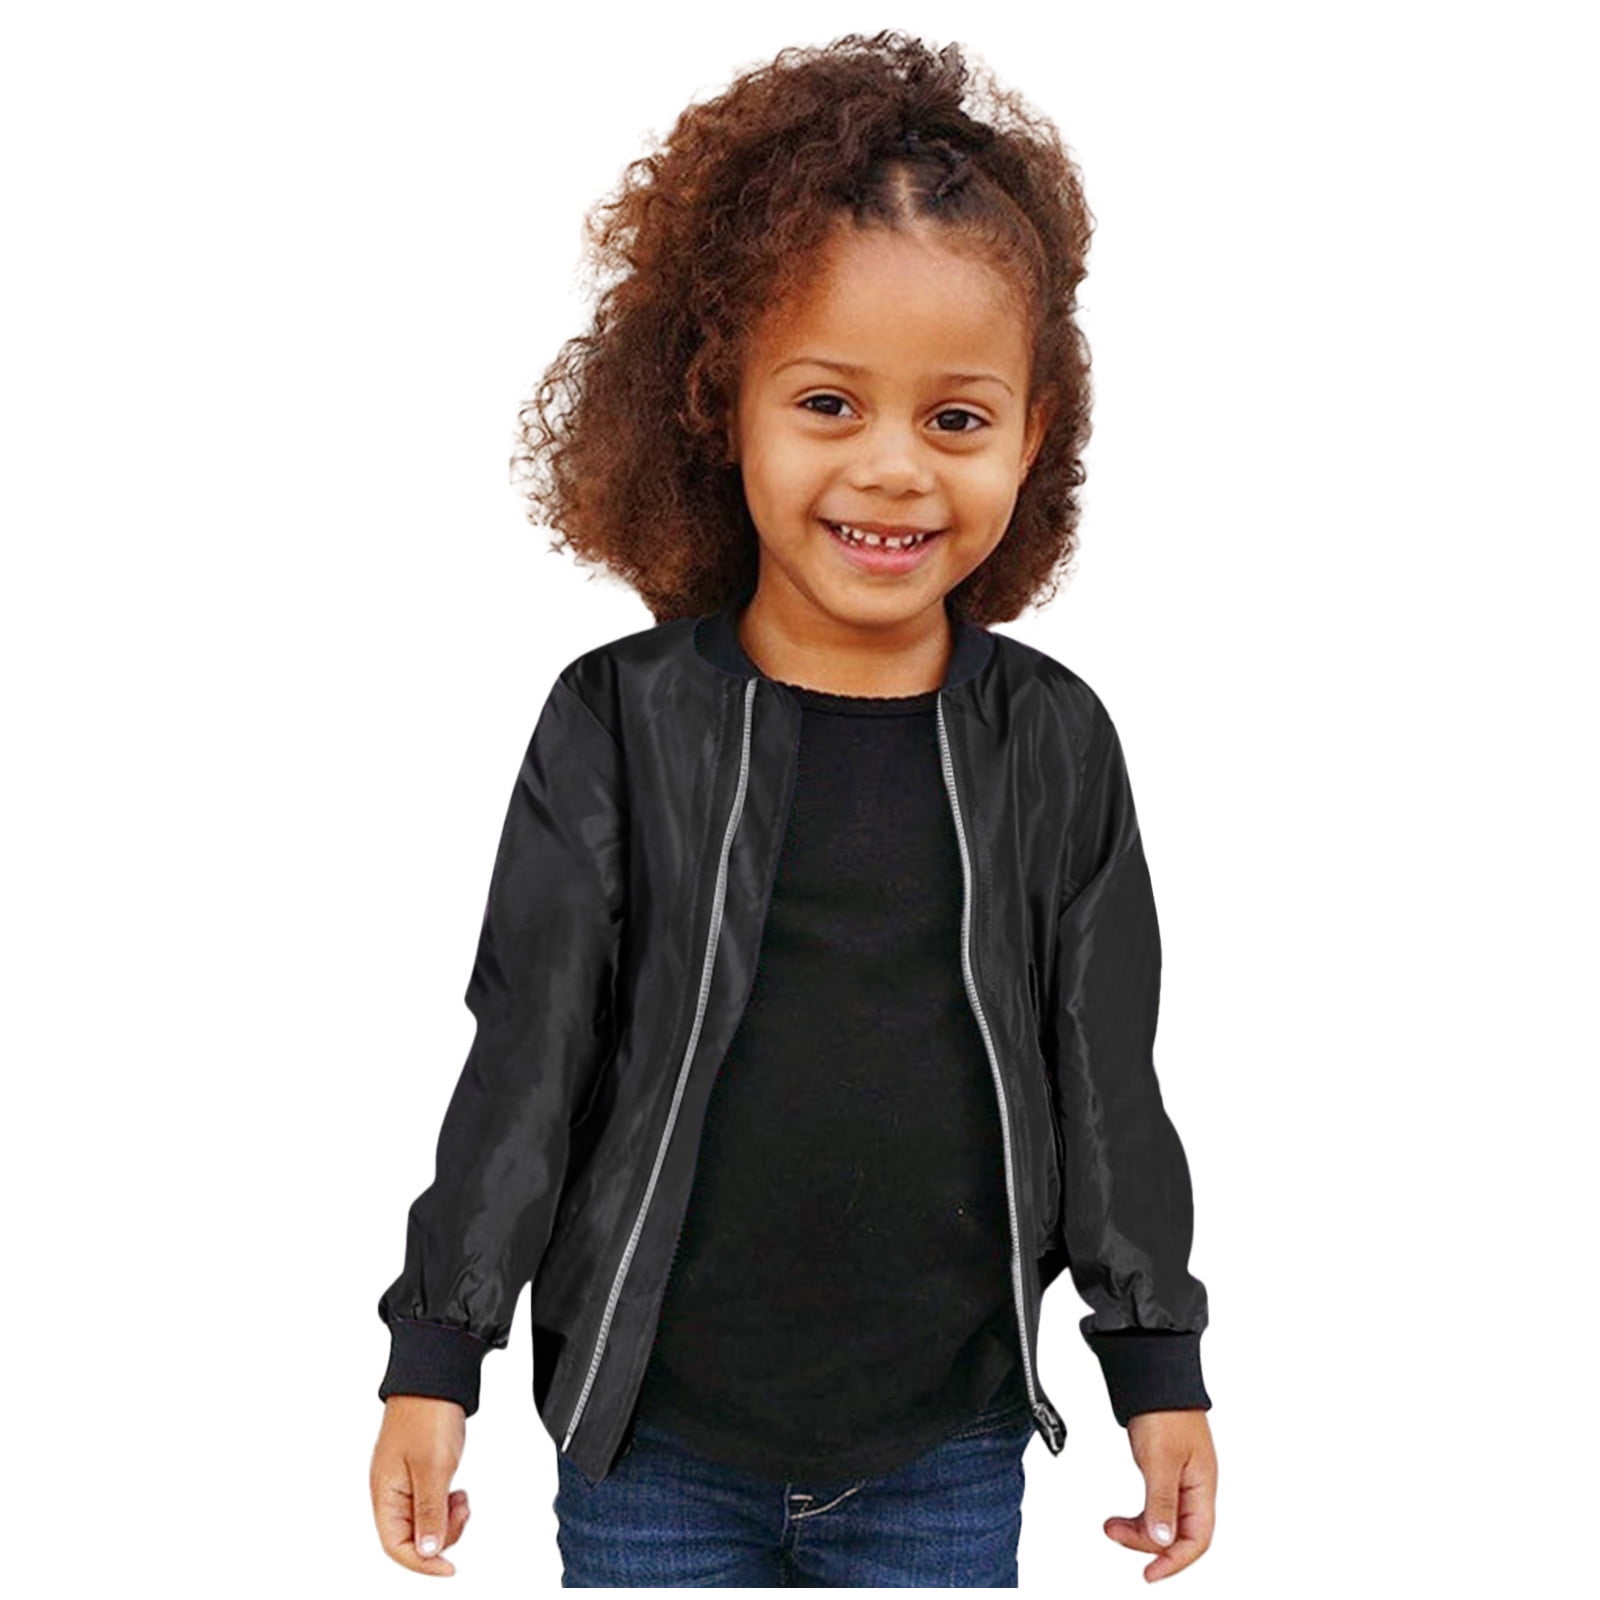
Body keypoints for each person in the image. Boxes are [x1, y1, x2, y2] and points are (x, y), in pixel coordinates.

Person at [368, 30, 1217, 1588]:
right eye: (828, 402)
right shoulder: (617, 723)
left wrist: (1156, 1365)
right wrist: (438, 1352)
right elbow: (529, 1059)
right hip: (651, 1447)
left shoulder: (1054, 743)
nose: (894, 469)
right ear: (721, 408)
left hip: (944, 1450)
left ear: (1034, 435)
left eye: (956, 419)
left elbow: (1105, 1078)